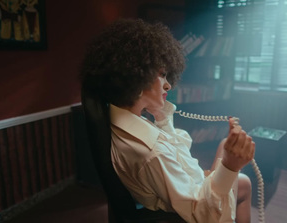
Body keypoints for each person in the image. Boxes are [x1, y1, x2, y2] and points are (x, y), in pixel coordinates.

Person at [80, 18, 255, 223]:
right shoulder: (151, 152)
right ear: (137, 76)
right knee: (241, 177)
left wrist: (162, 117)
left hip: (181, 189)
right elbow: (205, 216)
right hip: (195, 212)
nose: (168, 86)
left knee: (229, 152)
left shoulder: (124, 121)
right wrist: (230, 166)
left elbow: (179, 158)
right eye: (162, 75)